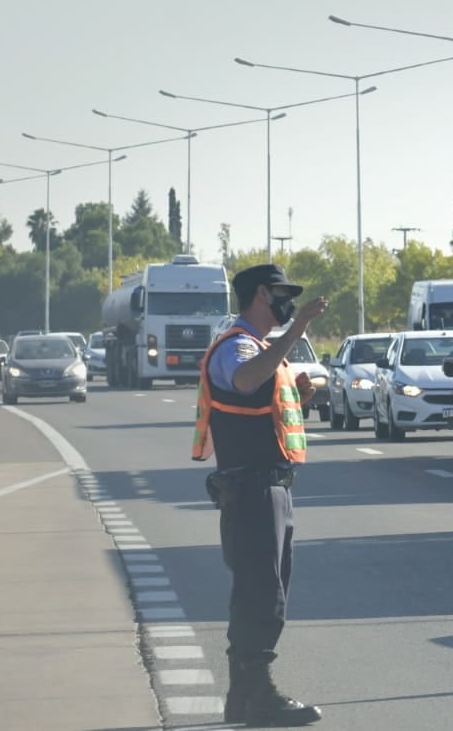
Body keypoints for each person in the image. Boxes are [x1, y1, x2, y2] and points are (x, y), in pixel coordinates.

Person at [192, 263, 328, 726]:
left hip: (264, 484)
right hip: (251, 487)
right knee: (262, 591)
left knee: (260, 588)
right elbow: (245, 380)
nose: (288, 302)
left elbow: (254, 399)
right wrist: (299, 330)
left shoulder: (257, 347)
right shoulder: (238, 345)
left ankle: (244, 696)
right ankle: (260, 696)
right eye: (282, 294)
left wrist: (297, 397)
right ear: (260, 295)